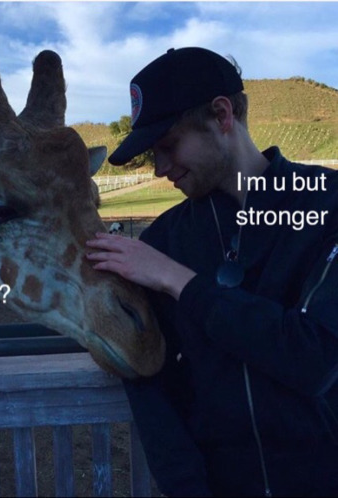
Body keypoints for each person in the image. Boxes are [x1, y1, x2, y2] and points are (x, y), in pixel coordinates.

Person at [86, 47, 338, 496]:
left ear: (222, 115)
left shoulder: (329, 203)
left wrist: (179, 282)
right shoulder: (162, 241)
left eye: (168, 145)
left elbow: (316, 359)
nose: (160, 169)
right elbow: (150, 386)